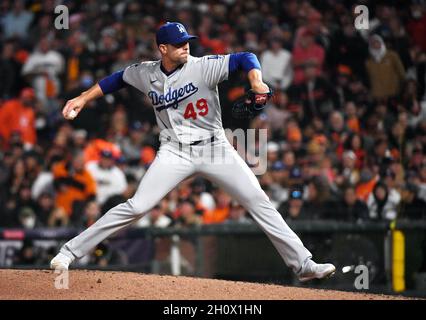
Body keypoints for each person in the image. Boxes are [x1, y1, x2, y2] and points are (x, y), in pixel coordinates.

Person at [50, 22, 335, 282]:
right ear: (163, 49)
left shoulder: (203, 66)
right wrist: (83, 98)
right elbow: (117, 79)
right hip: (174, 151)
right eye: (178, 43)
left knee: (258, 199)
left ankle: (303, 264)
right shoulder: (146, 72)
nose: (185, 46)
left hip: (214, 147)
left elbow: (245, 57)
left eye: (187, 41)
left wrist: (256, 81)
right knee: (137, 206)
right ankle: (69, 252)